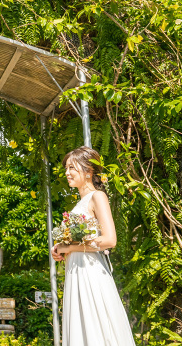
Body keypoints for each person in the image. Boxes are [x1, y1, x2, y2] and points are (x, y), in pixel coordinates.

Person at [51, 146, 135, 346]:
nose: (67, 172)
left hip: (90, 272)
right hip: (76, 272)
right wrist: (61, 247)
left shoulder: (98, 197)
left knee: (97, 326)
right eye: (66, 168)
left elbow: (109, 240)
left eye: (72, 167)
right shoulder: (79, 203)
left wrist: (70, 248)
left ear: (88, 171)